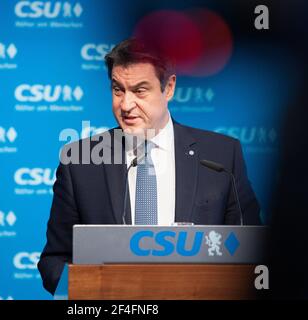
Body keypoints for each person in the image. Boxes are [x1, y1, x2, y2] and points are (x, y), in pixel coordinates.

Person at [38, 38, 261, 295]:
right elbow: (53, 262)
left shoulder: (222, 156)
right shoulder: (80, 161)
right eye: (118, 90)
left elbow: (252, 254)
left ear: (169, 88)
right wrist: (93, 294)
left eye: (140, 90)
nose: (126, 105)